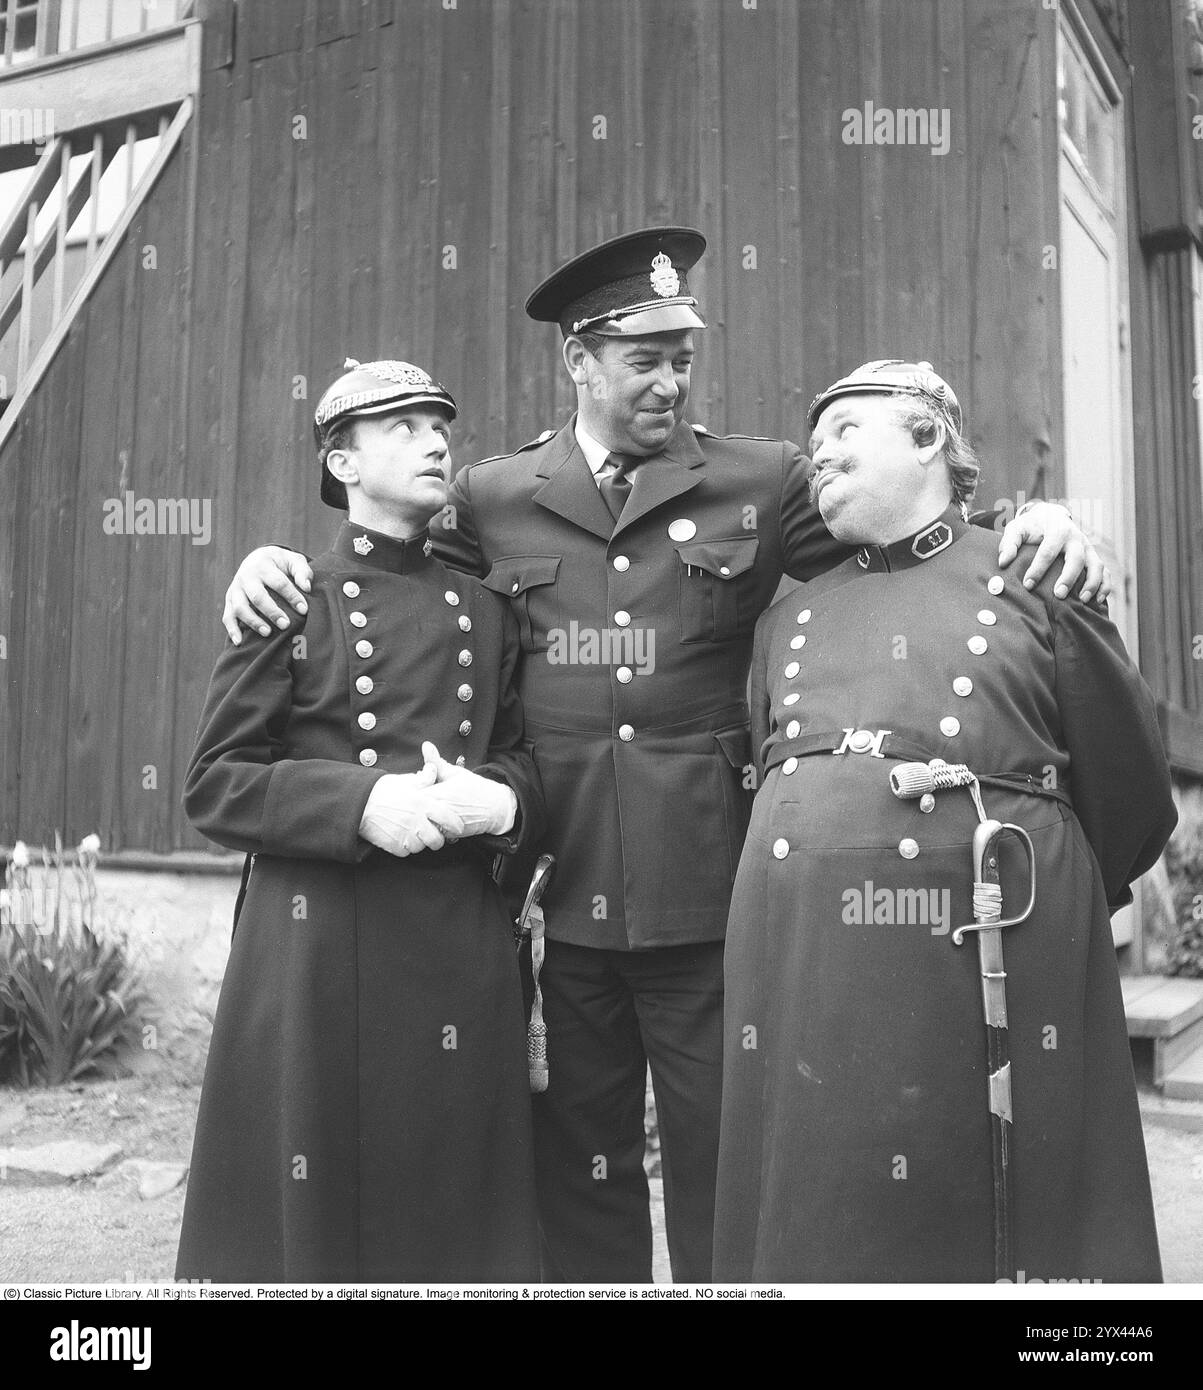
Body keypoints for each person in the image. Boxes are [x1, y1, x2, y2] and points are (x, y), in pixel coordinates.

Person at [217, 231, 1108, 1283]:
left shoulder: (762, 478)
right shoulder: (495, 496)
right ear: (580, 362)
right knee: (577, 1180)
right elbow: (399, 588)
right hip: (560, 889)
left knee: (722, 1164)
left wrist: (1034, 526)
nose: (670, 381)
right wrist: (269, 564)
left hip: (711, 895)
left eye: (682, 356)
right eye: (643, 360)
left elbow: (908, 538)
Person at [713, 359, 1175, 1283]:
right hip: (805, 967)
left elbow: (1125, 787)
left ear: (927, 439)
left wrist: (1049, 908)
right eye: (813, 446)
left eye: (847, 432)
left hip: (987, 947)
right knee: (822, 1199)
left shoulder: (1031, 575)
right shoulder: (787, 619)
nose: (820, 457)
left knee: (989, 1205)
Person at [176, 359, 545, 1283]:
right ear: (340, 463)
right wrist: (362, 802)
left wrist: (500, 801)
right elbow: (218, 782)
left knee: (449, 1192)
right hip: (319, 941)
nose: (434, 442)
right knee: (321, 1197)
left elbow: (527, 759)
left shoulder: (490, 614)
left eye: (439, 426)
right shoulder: (290, 592)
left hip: (457, 939)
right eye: (402, 427)